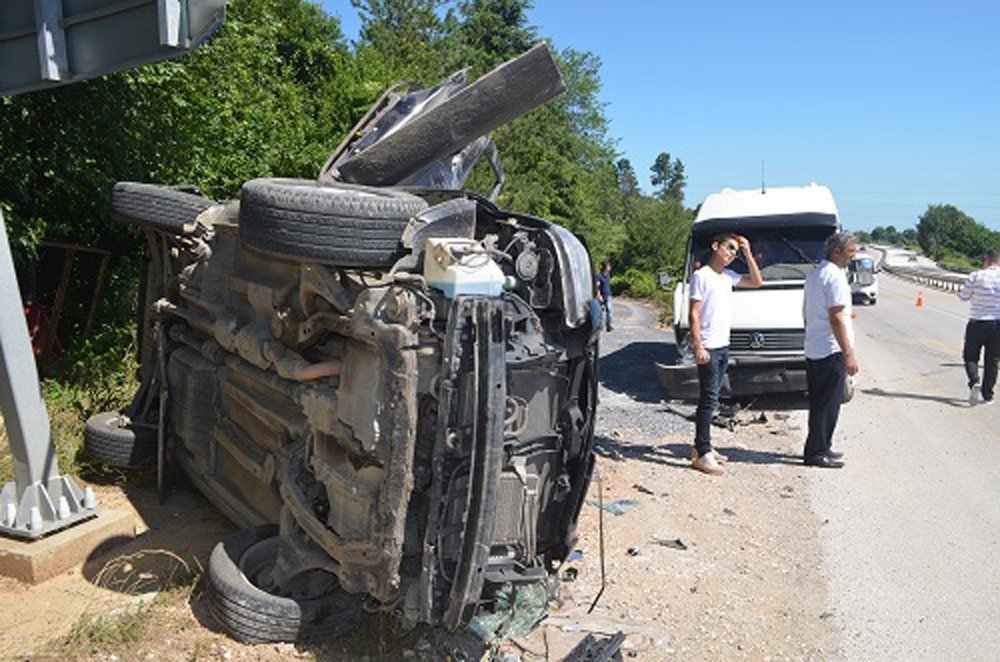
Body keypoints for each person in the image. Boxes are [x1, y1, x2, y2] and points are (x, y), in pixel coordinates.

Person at [689, 233, 763, 474]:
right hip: (709, 347)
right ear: (715, 246)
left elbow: (756, 282)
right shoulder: (702, 276)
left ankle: (703, 447)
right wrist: (698, 346)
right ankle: (702, 453)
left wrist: (748, 253)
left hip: (723, 345)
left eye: (735, 251)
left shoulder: (727, 278)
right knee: (708, 399)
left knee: (714, 397)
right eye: (729, 248)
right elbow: (694, 314)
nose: (732, 253)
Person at [802, 232, 858, 468]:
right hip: (830, 349)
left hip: (814, 346)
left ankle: (821, 446)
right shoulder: (835, 277)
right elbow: (835, 317)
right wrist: (848, 354)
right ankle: (816, 453)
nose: (853, 257)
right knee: (828, 404)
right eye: (851, 252)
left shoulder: (814, 274)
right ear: (837, 251)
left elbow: (806, 311)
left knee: (819, 402)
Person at [958, 249, 999, 406]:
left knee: (970, 356)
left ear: (985, 261)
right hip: (997, 323)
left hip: (977, 322)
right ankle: (988, 394)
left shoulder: (975, 276)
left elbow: (963, 296)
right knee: (992, 360)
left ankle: (974, 380)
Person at [596, 260, 613, 332]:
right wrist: (599, 296)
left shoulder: (608, 275)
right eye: (609, 266)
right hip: (602, 296)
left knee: (609, 311)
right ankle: (600, 326)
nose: (610, 267)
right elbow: (597, 287)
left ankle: (609, 325)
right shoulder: (599, 276)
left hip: (608, 295)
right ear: (606, 267)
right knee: (601, 312)